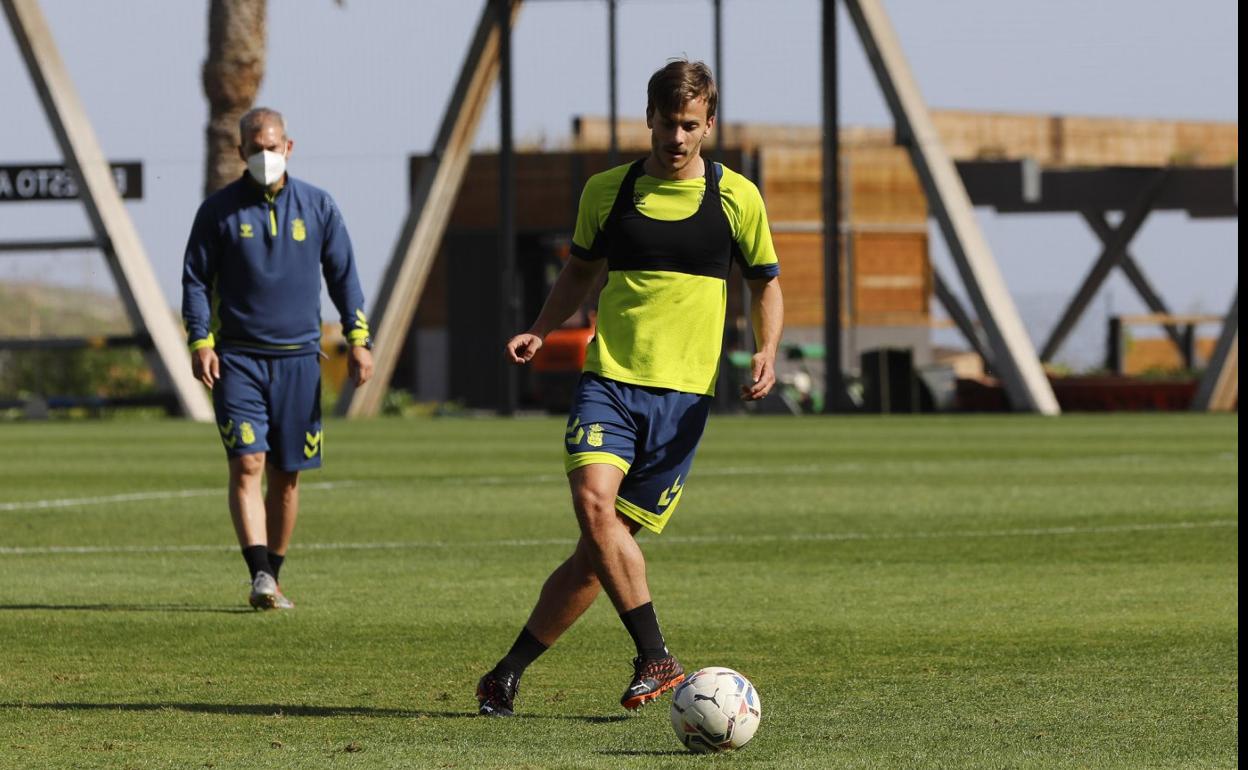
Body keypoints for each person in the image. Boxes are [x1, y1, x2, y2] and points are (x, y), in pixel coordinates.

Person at [476, 60, 783, 716]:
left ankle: (506, 673)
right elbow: (580, 273)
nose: (678, 138)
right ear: (649, 118)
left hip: (684, 400)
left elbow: (765, 284)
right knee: (593, 507)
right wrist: (540, 328)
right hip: (610, 379)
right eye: (669, 123)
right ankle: (655, 655)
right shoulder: (608, 193)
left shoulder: (738, 198)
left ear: (710, 125)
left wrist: (767, 346)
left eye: (691, 125)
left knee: (598, 556)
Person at [181, 107, 373, 610]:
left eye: (273, 146)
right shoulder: (217, 211)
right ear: (240, 151)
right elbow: (196, 281)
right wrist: (200, 341)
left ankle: (275, 575)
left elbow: (344, 277)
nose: (265, 156)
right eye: (255, 147)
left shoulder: (319, 206)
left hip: (299, 361)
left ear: (288, 147)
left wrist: (358, 339)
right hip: (238, 360)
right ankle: (260, 574)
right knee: (248, 463)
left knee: (287, 476)